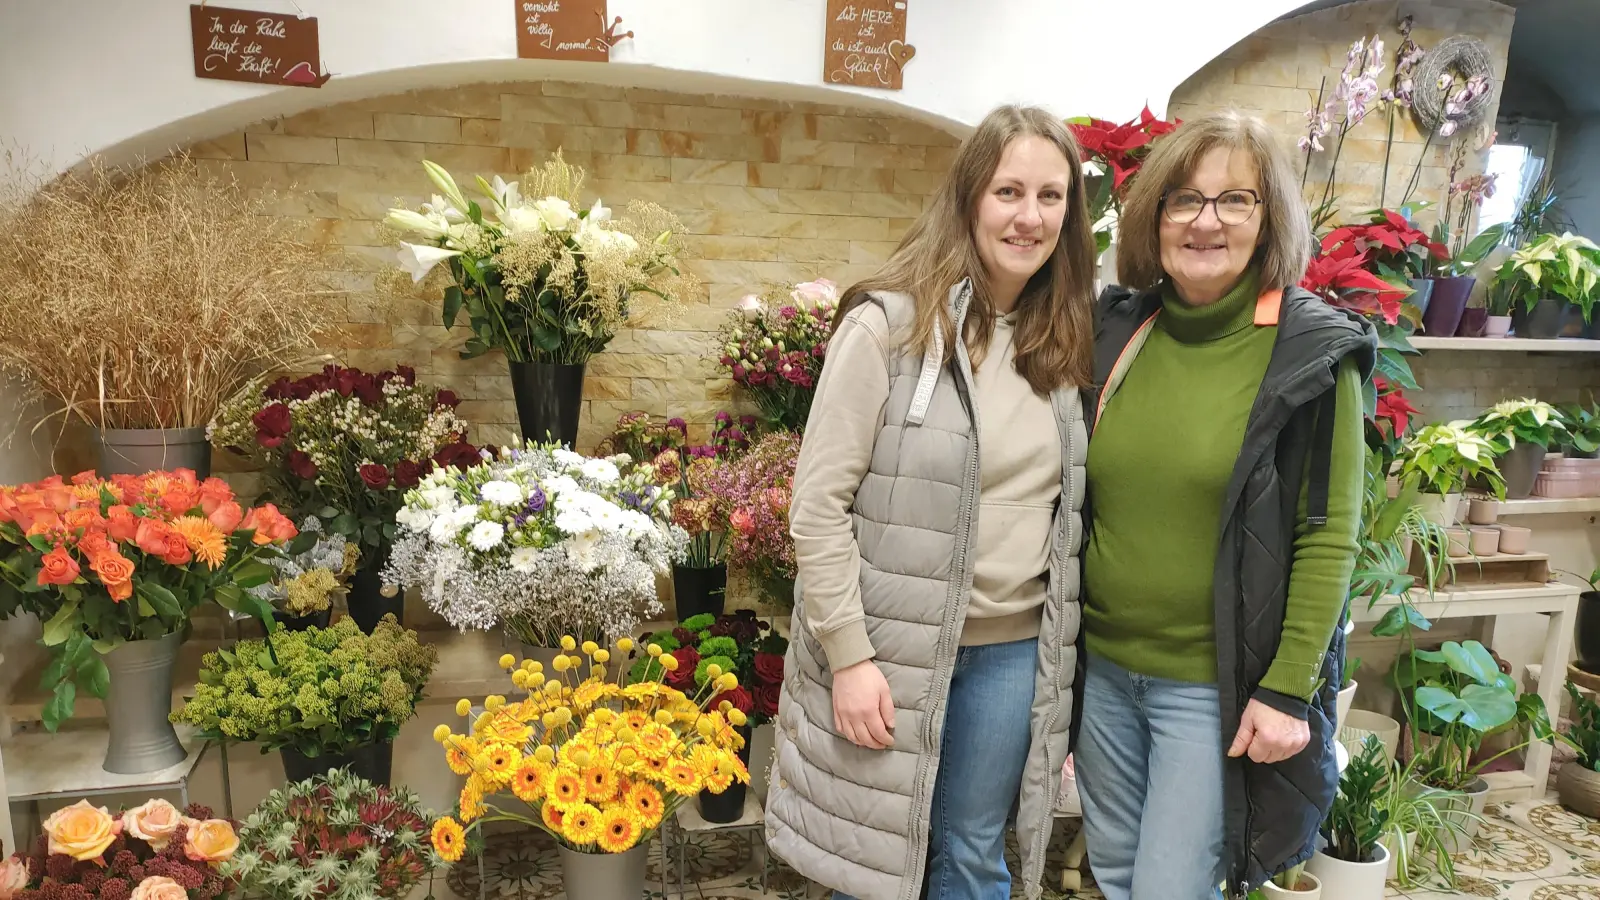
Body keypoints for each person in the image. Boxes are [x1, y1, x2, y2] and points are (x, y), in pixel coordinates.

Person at [764, 104, 1096, 900]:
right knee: (877, 868)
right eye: (1008, 191)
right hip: (891, 654)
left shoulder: (1065, 336)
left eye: (1051, 196)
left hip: (1012, 653)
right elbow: (817, 507)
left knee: (973, 855)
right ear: (969, 196)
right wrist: (849, 656)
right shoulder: (887, 327)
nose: (1030, 216)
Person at [1075, 109, 1375, 899]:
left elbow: (1327, 535)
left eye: (1234, 201)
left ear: (1267, 218)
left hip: (1211, 689)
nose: (1205, 221)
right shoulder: (1122, 330)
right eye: (1184, 200)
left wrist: (1285, 691)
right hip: (1103, 672)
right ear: (1155, 217)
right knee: (1112, 873)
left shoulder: (1311, 353)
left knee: (1170, 888)